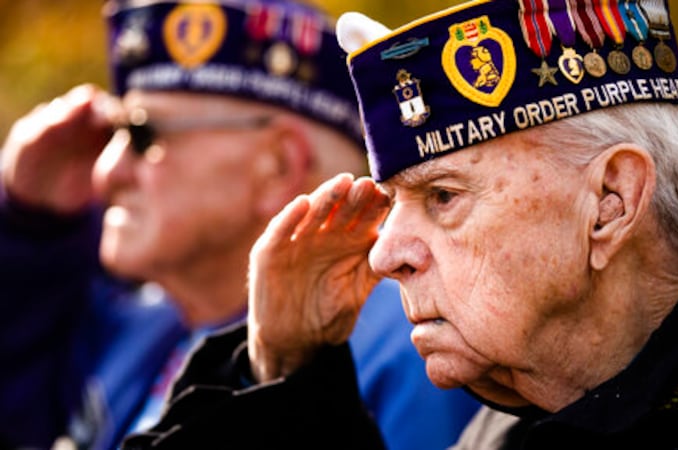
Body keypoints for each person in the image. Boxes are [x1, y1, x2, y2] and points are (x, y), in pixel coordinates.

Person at [120, 0, 678, 448]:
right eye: (391, 204)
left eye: (443, 196)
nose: (385, 254)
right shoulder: (505, 417)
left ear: (611, 201)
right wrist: (285, 375)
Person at [0, 1, 480, 449]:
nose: (106, 174)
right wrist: (32, 225)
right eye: (111, 134)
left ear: (276, 165)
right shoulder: (148, 326)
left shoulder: (415, 351)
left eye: (142, 134)